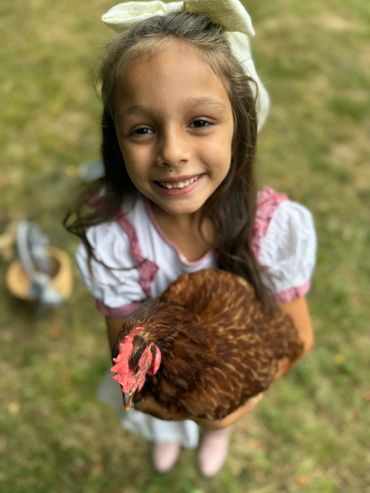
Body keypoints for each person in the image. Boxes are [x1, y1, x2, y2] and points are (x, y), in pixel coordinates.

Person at [64, 0, 316, 478]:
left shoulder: (272, 231)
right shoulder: (118, 241)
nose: (173, 153)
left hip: (230, 384)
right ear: (114, 139)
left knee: (216, 419)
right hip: (167, 385)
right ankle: (169, 438)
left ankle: (216, 436)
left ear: (240, 122)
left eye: (199, 122)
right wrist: (166, 411)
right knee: (164, 418)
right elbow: (127, 358)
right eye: (142, 129)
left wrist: (233, 405)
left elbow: (298, 336)